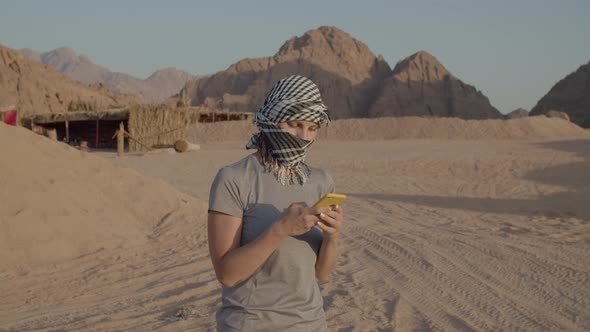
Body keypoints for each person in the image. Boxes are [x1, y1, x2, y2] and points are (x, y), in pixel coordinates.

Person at [207, 75, 344, 331]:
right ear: (272, 117)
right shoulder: (234, 178)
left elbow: (321, 274)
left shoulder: (321, 181)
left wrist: (332, 237)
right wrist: (281, 229)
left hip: (312, 325)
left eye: (313, 128)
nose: (303, 137)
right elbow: (227, 274)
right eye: (294, 124)